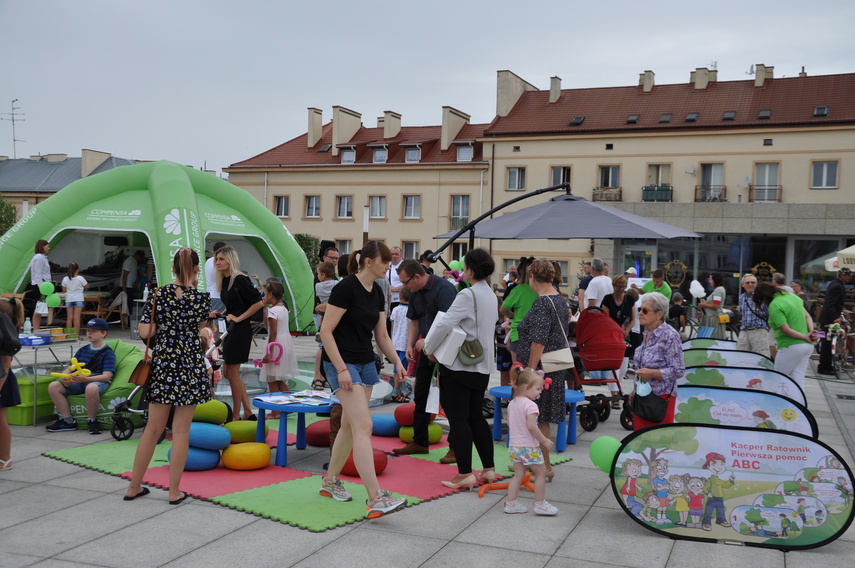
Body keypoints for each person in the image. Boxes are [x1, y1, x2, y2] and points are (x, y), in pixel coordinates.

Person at [318, 241, 408, 519]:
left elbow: (381, 335)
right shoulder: (345, 288)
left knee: (349, 424)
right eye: (384, 261)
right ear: (368, 261)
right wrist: (341, 369)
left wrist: (397, 361)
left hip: (366, 362)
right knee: (363, 425)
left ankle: (330, 481)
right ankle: (375, 498)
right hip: (341, 364)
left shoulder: (378, 290)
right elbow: (326, 332)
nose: (389, 265)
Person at [125, 248, 211, 505]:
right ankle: (174, 491)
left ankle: (133, 486)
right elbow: (202, 331)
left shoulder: (158, 293)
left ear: (172, 268)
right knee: (182, 431)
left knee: (153, 429)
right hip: (190, 365)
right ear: (196, 269)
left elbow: (143, 330)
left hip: (163, 364)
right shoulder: (201, 299)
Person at [423, 248, 498, 491]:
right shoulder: (491, 295)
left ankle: (464, 472)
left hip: (460, 365)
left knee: (459, 420)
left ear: (471, 269)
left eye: (466, 266)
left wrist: (428, 347)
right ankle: (488, 469)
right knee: (475, 417)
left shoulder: (468, 294)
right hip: (482, 364)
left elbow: (445, 323)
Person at [392, 259, 457, 457]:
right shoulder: (414, 292)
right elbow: (415, 320)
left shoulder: (444, 288)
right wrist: (410, 345)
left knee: (449, 399)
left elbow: (448, 323)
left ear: (417, 276)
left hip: (445, 351)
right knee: (419, 394)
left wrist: (427, 341)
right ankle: (420, 441)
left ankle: (455, 447)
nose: (404, 287)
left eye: (406, 282)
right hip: (425, 350)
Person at [516, 258, 569, 481]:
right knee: (542, 417)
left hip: (542, 370)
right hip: (555, 366)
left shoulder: (542, 303)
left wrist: (530, 370)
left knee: (538, 417)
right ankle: (538, 463)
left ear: (533, 277)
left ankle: (544, 466)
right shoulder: (559, 299)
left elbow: (538, 341)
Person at [212, 245, 264, 420]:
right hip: (232, 329)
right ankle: (247, 412)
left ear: (230, 260)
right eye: (216, 259)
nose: (217, 262)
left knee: (232, 373)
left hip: (240, 330)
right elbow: (235, 305)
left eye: (221, 259)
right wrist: (224, 313)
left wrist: (239, 318)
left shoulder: (239, 279)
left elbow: (258, 303)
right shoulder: (225, 280)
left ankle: (237, 415)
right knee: (229, 373)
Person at [503, 365, 558, 515]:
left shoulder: (512, 403)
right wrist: (544, 441)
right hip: (529, 447)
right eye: (538, 389)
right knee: (541, 473)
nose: (540, 392)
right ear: (527, 388)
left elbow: (509, 423)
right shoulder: (531, 405)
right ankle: (540, 504)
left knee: (518, 475)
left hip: (514, 446)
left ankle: (511, 503)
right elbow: (532, 427)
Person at [45, 318, 116, 434]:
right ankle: (67, 421)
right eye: (88, 330)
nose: (89, 333)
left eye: (94, 331)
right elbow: (70, 368)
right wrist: (66, 377)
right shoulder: (83, 350)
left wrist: (85, 379)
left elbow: (106, 377)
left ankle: (92, 420)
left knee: (91, 388)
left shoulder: (108, 353)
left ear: (103, 333)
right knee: (54, 386)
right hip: (79, 381)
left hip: (97, 382)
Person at [631, 292, 684, 430]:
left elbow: (678, 370)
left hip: (660, 399)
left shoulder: (670, 336)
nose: (640, 313)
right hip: (642, 397)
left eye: (645, 310)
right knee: (640, 443)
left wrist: (652, 373)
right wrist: (634, 391)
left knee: (659, 444)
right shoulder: (646, 332)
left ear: (659, 314)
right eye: (639, 309)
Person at [754, 281, 816, 390]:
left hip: (790, 346)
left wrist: (804, 336)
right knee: (798, 380)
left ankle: (772, 403)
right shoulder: (793, 297)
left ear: (764, 297)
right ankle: (800, 404)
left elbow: (786, 330)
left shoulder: (775, 305)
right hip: (807, 346)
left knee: (777, 378)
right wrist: (810, 332)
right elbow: (807, 316)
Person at [598, 274, 636, 408]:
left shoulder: (630, 300)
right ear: (613, 286)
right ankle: (614, 394)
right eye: (618, 286)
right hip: (612, 336)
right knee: (614, 365)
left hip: (625, 336)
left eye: (623, 286)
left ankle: (618, 387)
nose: (621, 289)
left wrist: (627, 331)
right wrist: (616, 331)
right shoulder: (608, 299)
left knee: (624, 366)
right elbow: (605, 318)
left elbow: (633, 319)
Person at [260, 280, 298, 397]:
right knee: (277, 378)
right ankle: (287, 403)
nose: (264, 297)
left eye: (265, 294)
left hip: (275, 345)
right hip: (284, 343)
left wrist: (268, 352)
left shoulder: (273, 311)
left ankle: (275, 409)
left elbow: (272, 332)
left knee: (271, 378)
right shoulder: (283, 308)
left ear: (271, 295)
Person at [0, 298, 24, 471]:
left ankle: (4, 459)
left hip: (3, 381)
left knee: (1, 420)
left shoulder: (6, 337)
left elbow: (6, 366)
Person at [500, 256, 537, 362]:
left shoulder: (517, 290)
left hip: (518, 334)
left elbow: (503, 309)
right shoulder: (539, 289)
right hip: (537, 334)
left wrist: (514, 315)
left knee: (518, 372)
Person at [818, 268, 852, 375]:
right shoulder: (837, 286)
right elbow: (829, 304)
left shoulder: (835, 283)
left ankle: (828, 365)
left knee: (829, 340)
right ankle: (824, 367)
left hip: (829, 318)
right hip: (830, 320)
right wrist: (835, 317)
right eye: (847, 275)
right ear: (842, 275)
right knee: (827, 343)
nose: (849, 277)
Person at [735, 273, 771, 358]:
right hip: (744, 330)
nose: (750, 284)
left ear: (756, 284)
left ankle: (763, 372)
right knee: (739, 356)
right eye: (747, 283)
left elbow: (770, 313)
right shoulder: (741, 297)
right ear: (743, 285)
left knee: (762, 357)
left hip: (759, 330)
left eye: (752, 282)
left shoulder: (762, 296)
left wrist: (767, 328)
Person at [388, 286, 411, 402]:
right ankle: (396, 391)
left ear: (400, 296)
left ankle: (397, 390)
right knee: (402, 369)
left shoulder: (396, 309)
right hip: (405, 344)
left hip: (395, 342)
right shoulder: (411, 311)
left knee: (396, 368)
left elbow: (393, 326)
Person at [25, 239, 51, 330]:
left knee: (40, 307)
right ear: (42, 246)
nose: (49, 248)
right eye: (47, 246)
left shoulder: (42, 257)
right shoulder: (39, 257)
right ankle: (36, 328)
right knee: (38, 307)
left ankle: (37, 328)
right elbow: (38, 273)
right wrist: (41, 287)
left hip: (44, 285)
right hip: (40, 286)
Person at [697, 273, 728, 339]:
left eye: (711, 279)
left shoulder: (718, 291)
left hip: (713, 318)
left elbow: (716, 306)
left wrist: (704, 305)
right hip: (713, 316)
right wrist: (705, 303)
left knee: (713, 336)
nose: (709, 281)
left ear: (715, 280)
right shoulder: (719, 290)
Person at [61, 262, 89, 334]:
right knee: (77, 318)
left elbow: (63, 290)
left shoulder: (65, 279)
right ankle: (76, 335)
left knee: (69, 317)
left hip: (69, 299)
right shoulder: (80, 278)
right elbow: (87, 286)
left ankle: (69, 334)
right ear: (77, 270)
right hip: (78, 298)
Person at [204, 241, 227, 313]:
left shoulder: (208, 261)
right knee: (217, 322)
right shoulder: (219, 263)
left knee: (210, 320)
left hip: (209, 293)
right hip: (218, 296)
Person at [387, 246, 404, 310]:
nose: (394, 256)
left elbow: (410, 281)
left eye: (396, 254)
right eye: (392, 254)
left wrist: (397, 289)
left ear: (401, 255)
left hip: (400, 300)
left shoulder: (404, 266)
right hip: (389, 299)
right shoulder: (387, 265)